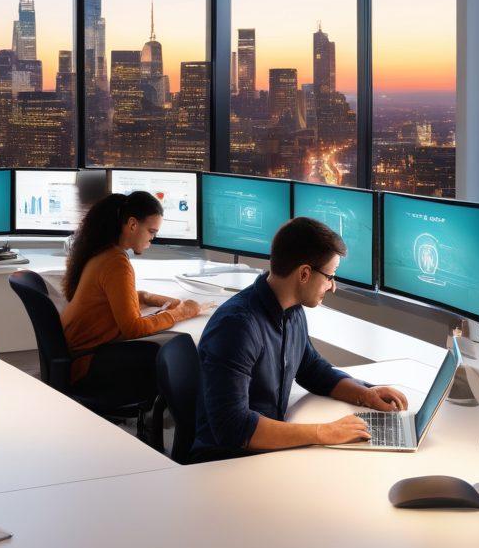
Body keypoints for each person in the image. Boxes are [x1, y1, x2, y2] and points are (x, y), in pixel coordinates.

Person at [191, 216, 409, 462]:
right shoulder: (237, 327)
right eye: (330, 276)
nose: (333, 286)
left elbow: (311, 368)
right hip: (226, 462)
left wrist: (364, 393)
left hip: (264, 451)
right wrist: (322, 432)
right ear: (305, 274)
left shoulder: (292, 311)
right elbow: (233, 428)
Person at [60, 191, 212, 399]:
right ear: (132, 225)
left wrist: (151, 298)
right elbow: (132, 328)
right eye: (151, 232)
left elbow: (119, 297)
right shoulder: (116, 263)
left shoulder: (103, 251)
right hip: (88, 364)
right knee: (173, 355)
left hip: (79, 355)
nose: (152, 239)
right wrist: (181, 313)